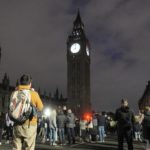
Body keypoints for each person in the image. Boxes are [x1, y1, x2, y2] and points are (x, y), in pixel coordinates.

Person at [12, 74, 43, 150]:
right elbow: (40, 108)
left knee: (16, 147)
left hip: (17, 124)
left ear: (20, 82)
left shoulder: (14, 93)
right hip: (30, 124)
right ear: (30, 84)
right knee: (29, 147)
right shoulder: (34, 94)